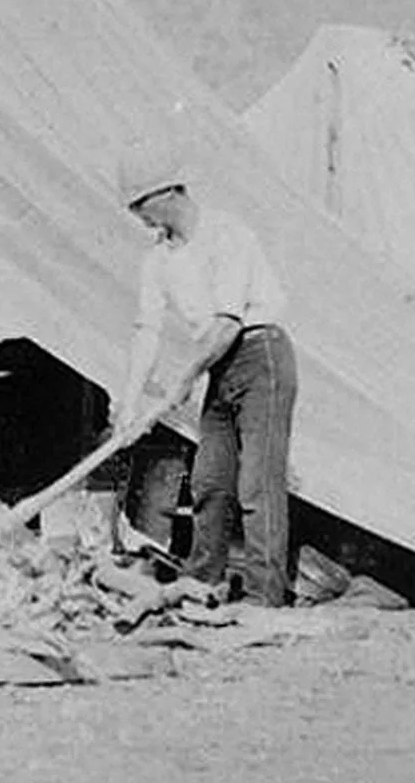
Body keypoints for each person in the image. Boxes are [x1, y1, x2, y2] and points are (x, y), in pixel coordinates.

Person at [113, 142, 296, 606]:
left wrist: (183, 378)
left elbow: (227, 323)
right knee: (211, 481)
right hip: (218, 364)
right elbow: (146, 331)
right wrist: (130, 405)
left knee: (257, 484)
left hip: (260, 356)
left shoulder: (227, 235)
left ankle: (263, 596)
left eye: (140, 205)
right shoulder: (157, 259)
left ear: (167, 192)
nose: (138, 216)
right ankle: (202, 582)